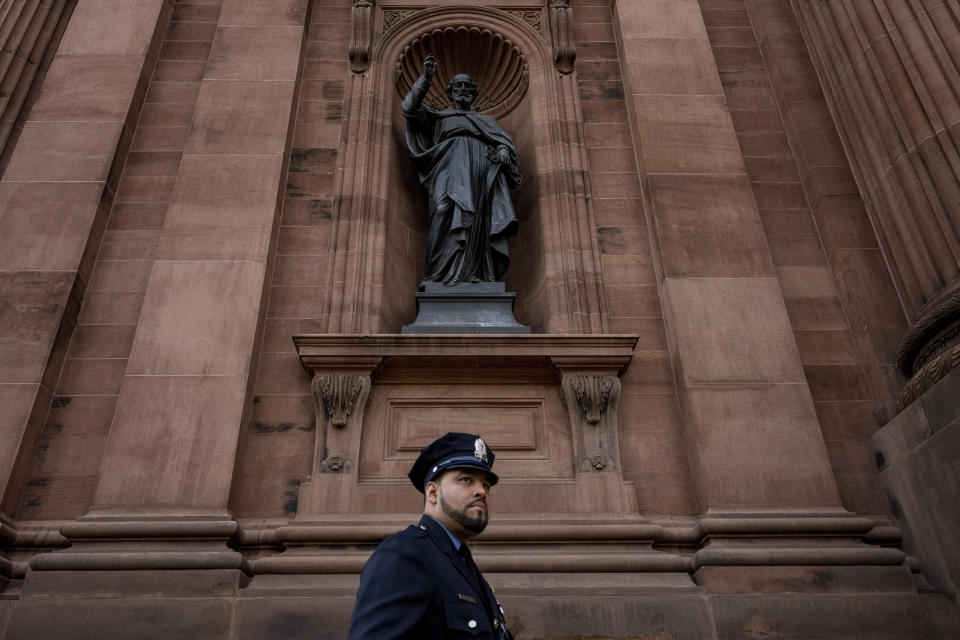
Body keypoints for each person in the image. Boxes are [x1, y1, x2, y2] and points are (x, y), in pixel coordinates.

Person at [346, 432, 514, 640]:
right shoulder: (405, 554)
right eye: (466, 479)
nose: (481, 491)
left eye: (486, 485)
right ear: (433, 493)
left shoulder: (461, 562)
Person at [402, 55, 522, 287]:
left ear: (474, 92)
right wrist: (426, 79)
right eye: (459, 86)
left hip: (480, 172)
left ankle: (476, 272)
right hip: (447, 170)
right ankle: (438, 274)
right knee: (443, 207)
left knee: (477, 218)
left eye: (468, 86)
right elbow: (409, 108)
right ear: (450, 91)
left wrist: (504, 150)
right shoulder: (439, 118)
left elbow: (503, 142)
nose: (463, 90)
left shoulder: (486, 121)